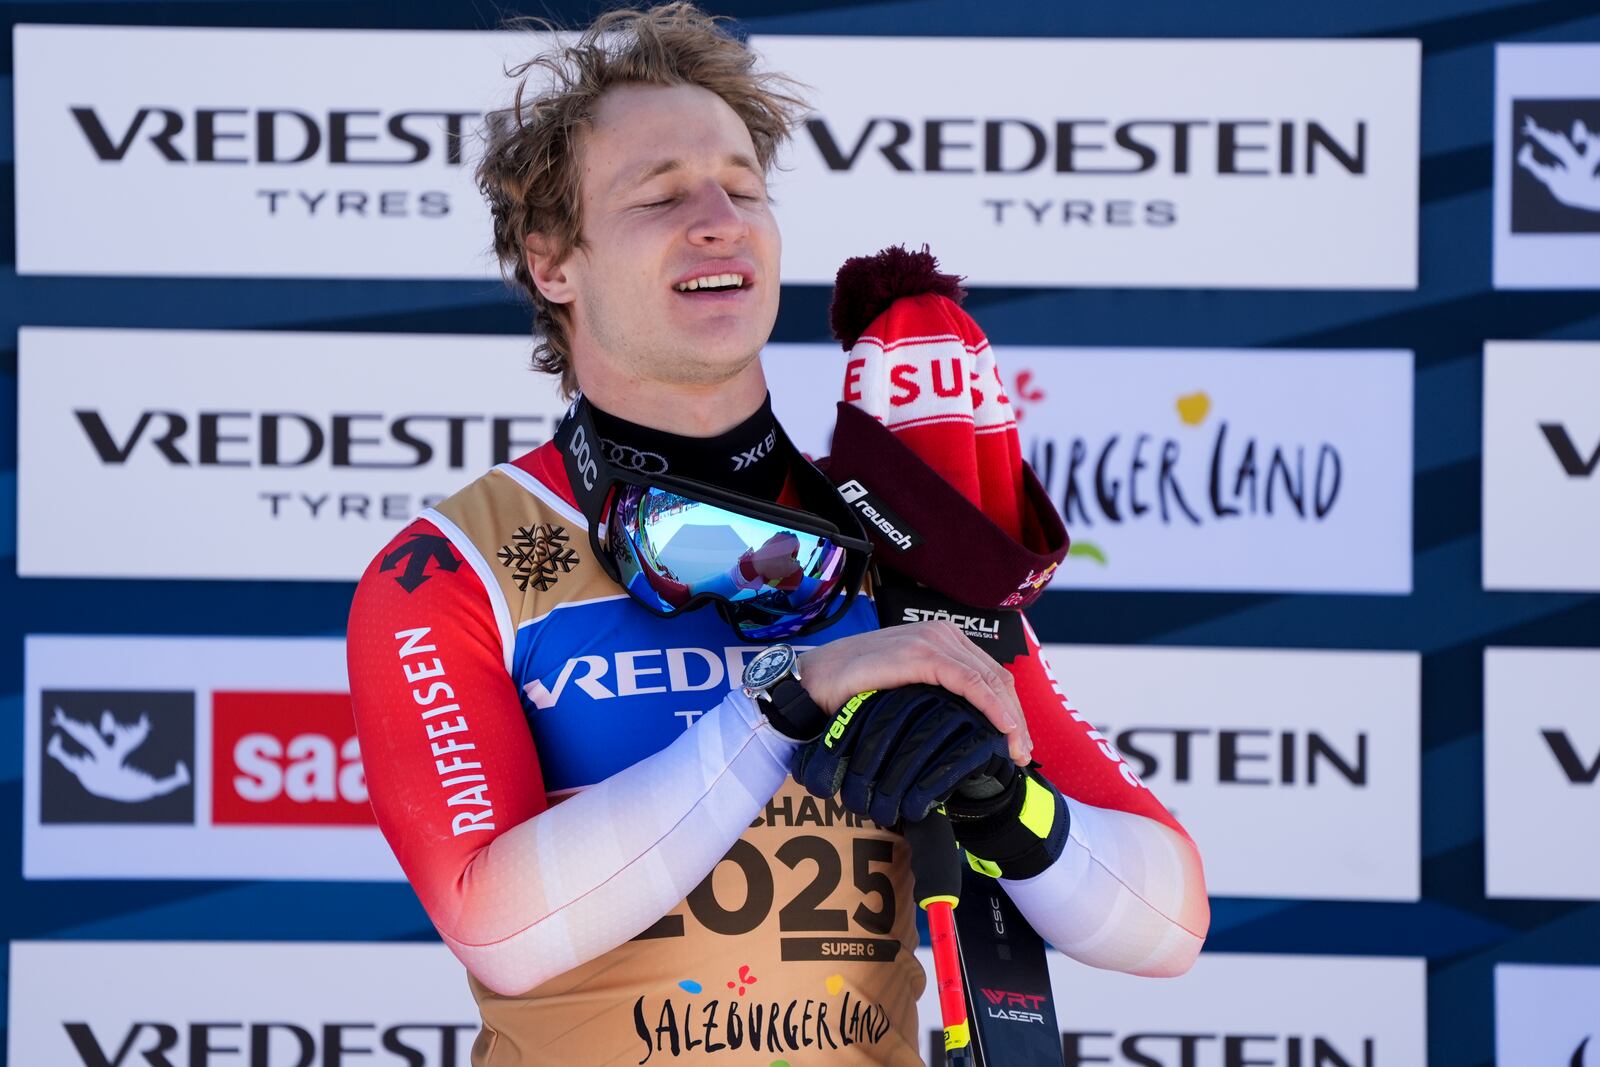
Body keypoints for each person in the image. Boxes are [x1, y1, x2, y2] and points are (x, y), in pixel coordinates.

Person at [345, 6, 1207, 1065]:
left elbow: (1170, 919)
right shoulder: (453, 565)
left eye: (744, 188)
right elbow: (499, 924)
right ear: (551, 261)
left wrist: (1004, 802)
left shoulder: (905, 533)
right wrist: (787, 697)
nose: (720, 218)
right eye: (661, 195)